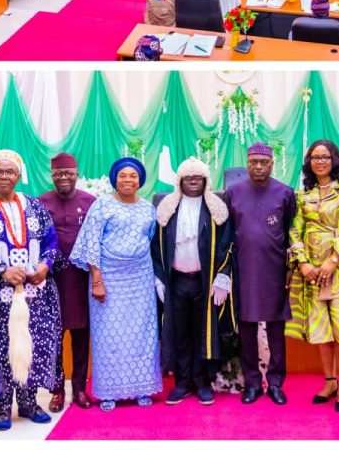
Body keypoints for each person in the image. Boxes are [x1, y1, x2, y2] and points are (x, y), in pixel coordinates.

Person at [0, 150, 63, 431]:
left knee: (33, 343)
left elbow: (51, 242)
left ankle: (29, 403)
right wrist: (1, 270)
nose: (4, 176)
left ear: (18, 176)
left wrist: (44, 266)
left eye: (10, 172)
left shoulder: (35, 206)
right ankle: (3, 406)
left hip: (35, 294)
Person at [69, 157, 162, 410]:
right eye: (123, 176)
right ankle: (109, 391)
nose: (128, 180)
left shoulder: (148, 209)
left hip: (140, 279)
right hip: (109, 278)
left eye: (133, 176)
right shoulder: (102, 205)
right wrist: (97, 281)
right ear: (115, 180)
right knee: (108, 336)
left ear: (140, 181)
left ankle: (142, 388)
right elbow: (91, 243)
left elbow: (149, 239)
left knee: (142, 335)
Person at [286, 140, 339, 412]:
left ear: (334, 159)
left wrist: (333, 260)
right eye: (315, 157)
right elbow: (294, 231)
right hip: (312, 271)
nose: (320, 162)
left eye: (324, 157)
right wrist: (302, 263)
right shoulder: (304, 194)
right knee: (321, 328)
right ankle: (330, 381)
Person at [151, 157, 235, 407]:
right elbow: (155, 246)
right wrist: (159, 279)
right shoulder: (167, 208)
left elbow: (227, 244)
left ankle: (201, 381)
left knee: (203, 332)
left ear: (206, 180)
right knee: (180, 332)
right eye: (188, 178)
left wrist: (222, 276)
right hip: (176, 281)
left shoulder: (216, 208)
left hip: (204, 282)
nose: (193, 182)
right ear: (180, 181)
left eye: (198, 177)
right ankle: (183, 382)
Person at [226, 143, 296, 405]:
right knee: (246, 328)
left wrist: (289, 268)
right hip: (244, 270)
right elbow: (228, 232)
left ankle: (276, 382)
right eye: (253, 162)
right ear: (247, 163)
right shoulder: (233, 193)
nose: (258, 167)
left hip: (275, 270)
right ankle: (252, 383)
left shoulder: (285, 193)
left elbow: (290, 231)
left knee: (276, 328)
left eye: (263, 162)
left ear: (271, 164)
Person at [38, 154, 96, 412]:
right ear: (52, 176)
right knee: (54, 338)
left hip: (81, 279)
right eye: (59, 173)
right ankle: (57, 390)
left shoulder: (90, 202)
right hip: (51, 280)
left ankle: (80, 389)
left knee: (81, 336)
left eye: (68, 173)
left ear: (76, 174)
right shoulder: (41, 203)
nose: (63, 177)